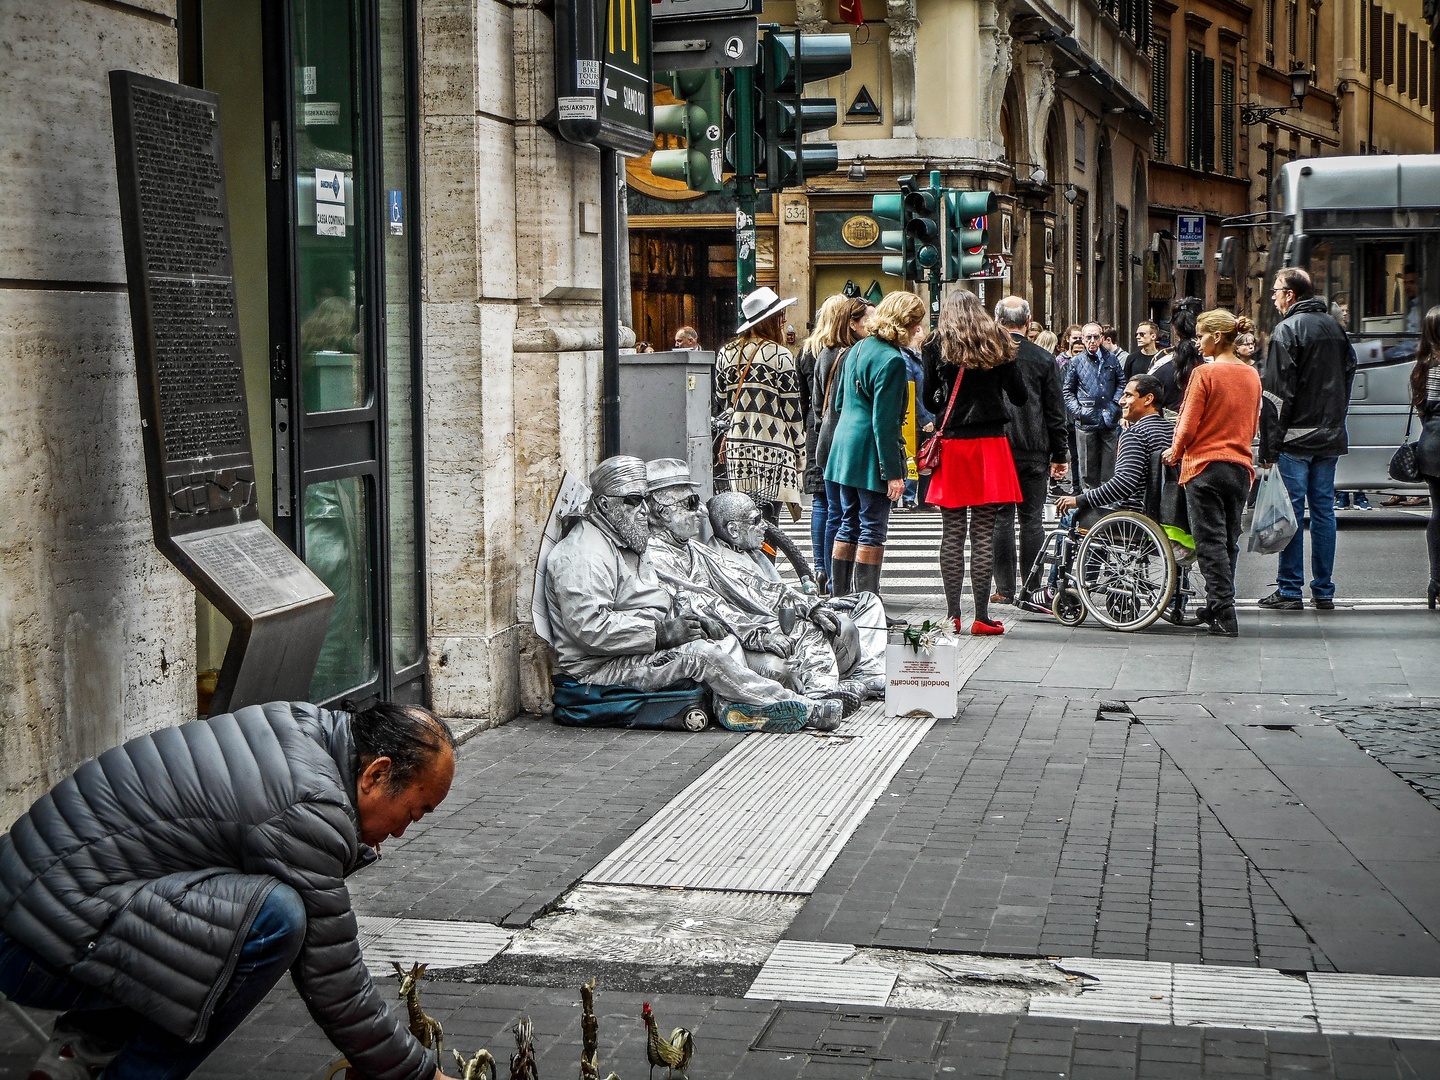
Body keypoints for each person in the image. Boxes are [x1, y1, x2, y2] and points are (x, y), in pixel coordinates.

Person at [1, 700, 463, 1080]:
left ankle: (85, 1047)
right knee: (273, 919)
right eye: (414, 812)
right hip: (29, 941)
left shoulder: (304, 725)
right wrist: (416, 1075)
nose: (403, 832)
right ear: (377, 774)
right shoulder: (312, 805)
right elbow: (334, 978)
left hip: (33, 898)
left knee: (221, 909)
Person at [545, 456, 841, 731]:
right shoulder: (583, 555)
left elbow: (657, 599)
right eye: (634, 502)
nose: (644, 512)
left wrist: (686, 623)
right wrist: (661, 633)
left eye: (644, 501)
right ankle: (800, 707)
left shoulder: (626, 540)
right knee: (702, 656)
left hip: (635, 649)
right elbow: (590, 628)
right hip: (601, 669)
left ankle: (745, 707)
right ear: (606, 505)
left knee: (715, 641)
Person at [922, 290, 1027, 634]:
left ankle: (953, 615)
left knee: (952, 532)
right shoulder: (997, 339)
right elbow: (1019, 395)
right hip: (991, 445)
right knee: (983, 531)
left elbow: (928, 397)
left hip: (954, 445)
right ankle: (982, 617)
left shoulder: (937, 343)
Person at [1259, 267, 1359, 611]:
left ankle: (1289, 590)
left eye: (1275, 291)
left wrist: (1269, 447)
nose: (1272, 296)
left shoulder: (1286, 330)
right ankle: (1324, 590)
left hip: (1296, 440)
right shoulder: (1335, 328)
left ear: (1291, 295)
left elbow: (1275, 395)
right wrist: (1333, 419)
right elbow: (1348, 374)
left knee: (1292, 514)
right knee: (1323, 513)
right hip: (1329, 436)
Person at [1163, 311, 1263, 637]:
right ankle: (1217, 604)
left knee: (1209, 544)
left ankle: (1224, 610)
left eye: (1201, 335)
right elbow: (1252, 424)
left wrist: (1174, 452)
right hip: (1239, 467)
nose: (1198, 341)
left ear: (1217, 337)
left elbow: (1187, 424)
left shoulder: (1204, 373)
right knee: (1228, 542)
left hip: (1204, 466)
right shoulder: (1251, 375)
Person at [825, 290, 927, 597]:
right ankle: (869, 602)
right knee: (872, 527)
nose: (917, 330)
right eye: (916, 323)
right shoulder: (892, 360)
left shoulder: (856, 350)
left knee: (848, 522)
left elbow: (839, 402)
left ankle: (840, 598)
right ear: (906, 323)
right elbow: (886, 422)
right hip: (871, 449)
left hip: (844, 445)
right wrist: (894, 471)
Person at [992, 296, 1069, 603]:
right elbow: (1055, 411)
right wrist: (1060, 455)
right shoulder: (1043, 358)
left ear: (997, 320)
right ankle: (1032, 587)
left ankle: (1005, 589)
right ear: (1027, 322)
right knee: (1032, 519)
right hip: (1035, 449)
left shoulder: (989, 355)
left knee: (1001, 517)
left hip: (998, 446)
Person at [714, 287, 805, 522]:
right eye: (781, 316)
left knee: (742, 516)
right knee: (768, 520)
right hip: (773, 446)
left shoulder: (726, 353)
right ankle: (766, 558)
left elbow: (722, 400)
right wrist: (801, 453)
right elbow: (792, 410)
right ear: (772, 320)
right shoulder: (780, 355)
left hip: (738, 446)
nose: (784, 321)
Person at [810, 295, 873, 585]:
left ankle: (827, 574)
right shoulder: (852, 354)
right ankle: (839, 582)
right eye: (867, 319)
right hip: (843, 440)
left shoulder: (825, 351)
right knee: (847, 514)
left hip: (826, 437)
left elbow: (816, 401)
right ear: (851, 323)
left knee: (835, 511)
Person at [1056, 373, 1174, 521]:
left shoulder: (1136, 434)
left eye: (1128, 395)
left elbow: (1123, 485)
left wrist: (1079, 500)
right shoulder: (1174, 432)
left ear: (1148, 399)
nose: (1121, 401)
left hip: (1134, 515)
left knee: (1068, 519)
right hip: (1167, 515)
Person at [797, 296, 849, 583]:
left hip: (814, 430)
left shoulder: (807, 351)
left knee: (820, 501)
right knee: (839, 502)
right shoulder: (844, 350)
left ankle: (820, 567)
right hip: (836, 428)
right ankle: (835, 569)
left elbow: (803, 399)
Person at [1063, 322, 1126, 491]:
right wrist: (1079, 411)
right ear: (1082, 339)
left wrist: (1115, 404)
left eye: (1096, 337)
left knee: (1109, 468)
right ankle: (1089, 508)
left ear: (1102, 338)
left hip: (1109, 419)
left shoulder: (1111, 358)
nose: (1092, 340)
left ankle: (1107, 504)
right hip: (1086, 420)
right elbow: (1067, 391)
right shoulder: (1076, 361)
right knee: (1087, 470)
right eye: (1088, 337)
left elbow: (1121, 382)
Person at [1406, 307, 1440, 606]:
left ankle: (1436, 583)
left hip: (1430, 447)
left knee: (1438, 514)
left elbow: (1423, 411)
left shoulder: (1422, 369)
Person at [900, 339, 936, 509]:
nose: (920, 332)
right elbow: (911, 392)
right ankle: (908, 496)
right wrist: (924, 418)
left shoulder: (917, 357)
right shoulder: (906, 358)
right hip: (914, 417)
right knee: (912, 457)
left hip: (924, 414)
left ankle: (924, 498)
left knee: (926, 457)